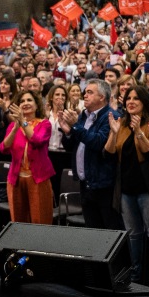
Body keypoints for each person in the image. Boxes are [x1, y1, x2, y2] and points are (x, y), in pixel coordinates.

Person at [105, 86, 149, 287]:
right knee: (133, 235)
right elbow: (107, 154)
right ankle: (135, 278)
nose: (131, 101)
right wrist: (113, 133)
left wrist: (139, 133)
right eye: (128, 98)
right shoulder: (121, 125)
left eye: (136, 98)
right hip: (126, 189)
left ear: (144, 103)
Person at [60, 79, 123, 230]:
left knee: (108, 230)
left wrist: (75, 126)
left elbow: (98, 143)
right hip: (85, 182)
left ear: (102, 97)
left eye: (90, 92)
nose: (85, 95)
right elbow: (72, 146)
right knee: (91, 229)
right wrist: (68, 132)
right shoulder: (83, 115)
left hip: (104, 183)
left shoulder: (111, 116)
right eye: (85, 92)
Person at [0, 90, 55, 224]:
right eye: (22, 101)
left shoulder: (44, 124)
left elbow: (37, 141)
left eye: (29, 100)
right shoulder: (13, 125)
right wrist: (15, 128)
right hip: (16, 179)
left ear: (37, 106)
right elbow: (3, 148)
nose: (25, 103)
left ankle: (38, 246)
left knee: (40, 220)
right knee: (18, 221)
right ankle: (20, 246)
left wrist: (23, 122)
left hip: (38, 179)